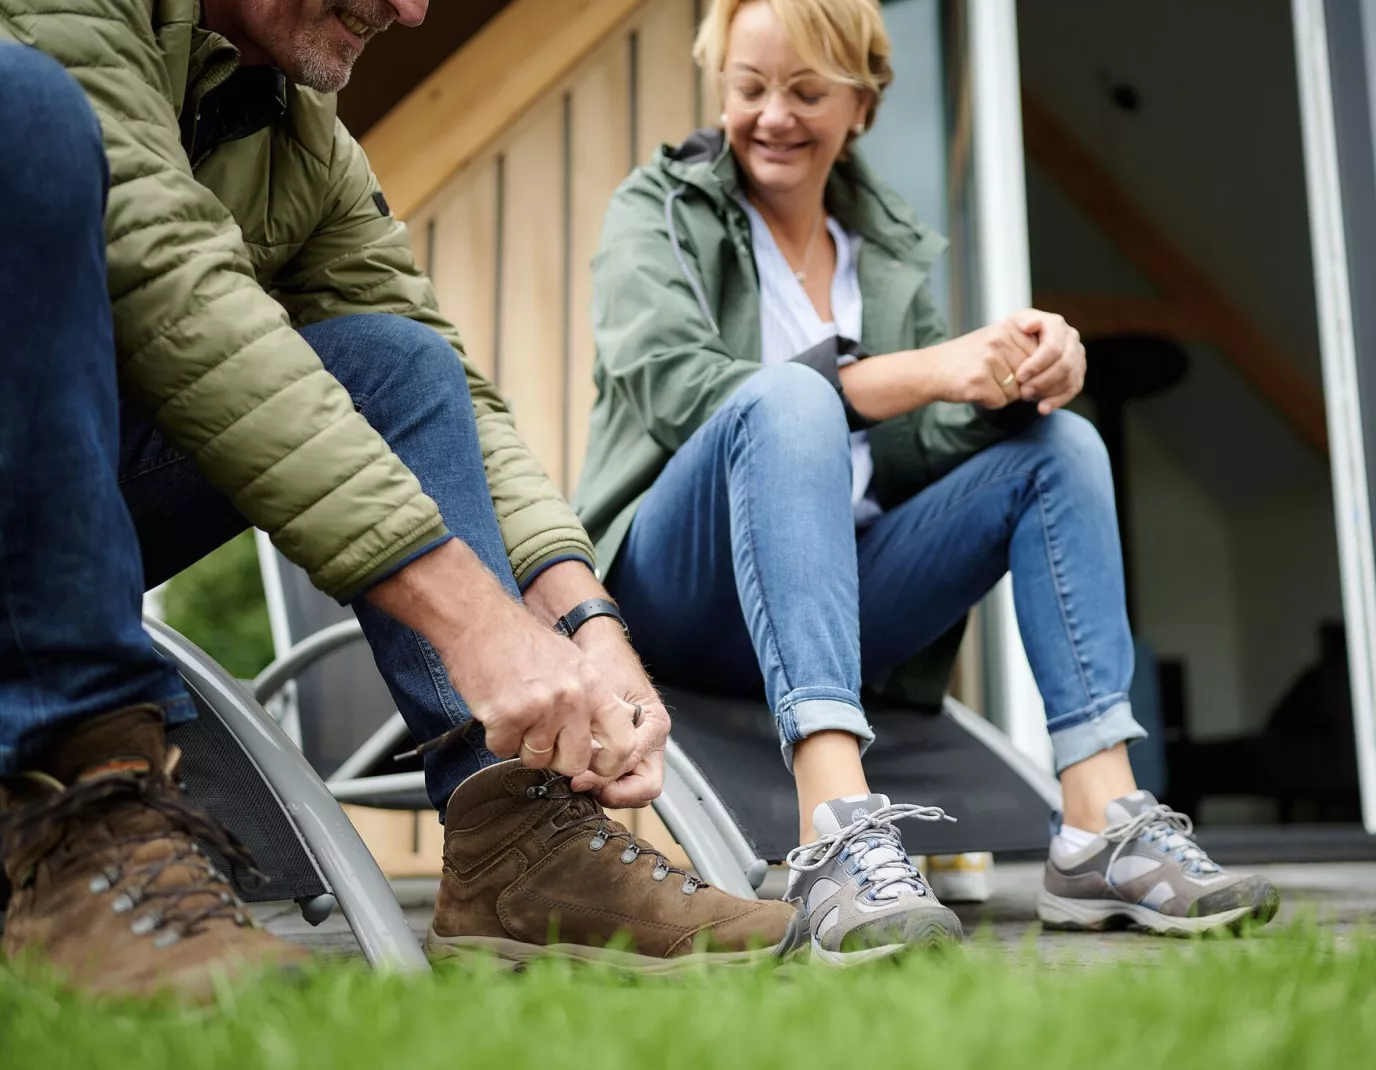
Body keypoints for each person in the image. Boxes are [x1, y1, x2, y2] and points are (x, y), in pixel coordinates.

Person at [0, 0, 797, 1000]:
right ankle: (80, 810)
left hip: (88, 488)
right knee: (20, 110)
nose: (414, 10)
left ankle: (518, 844)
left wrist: (583, 620)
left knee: (398, 362)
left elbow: (445, 386)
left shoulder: (296, 134)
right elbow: (176, 288)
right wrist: (472, 621)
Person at [574, 0, 1280, 962]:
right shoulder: (659, 210)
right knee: (788, 402)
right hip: (678, 595)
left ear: (861, 106)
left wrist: (1015, 387)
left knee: (1058, 448)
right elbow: (678, 390)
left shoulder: (888, 247)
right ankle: (835, 833)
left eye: (806, 91)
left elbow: (924, 443)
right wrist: (933, 367)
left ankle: (1099, 824)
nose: (772, 115)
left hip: (840, 599)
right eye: (748, 87)